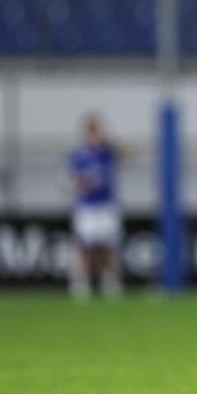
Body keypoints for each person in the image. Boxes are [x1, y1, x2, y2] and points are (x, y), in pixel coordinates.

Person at [66, 115, 125, 300]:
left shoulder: (107, 151)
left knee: (109, 246)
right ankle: (80, 283)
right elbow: (68, 181)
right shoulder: (79, 154)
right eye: (93, 131)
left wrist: (111, 141)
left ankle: (110, 282)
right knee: (85, 245)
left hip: (106, 205)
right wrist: (81, 182)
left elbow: (126, 155)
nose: (97, 135)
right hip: (87, 207)